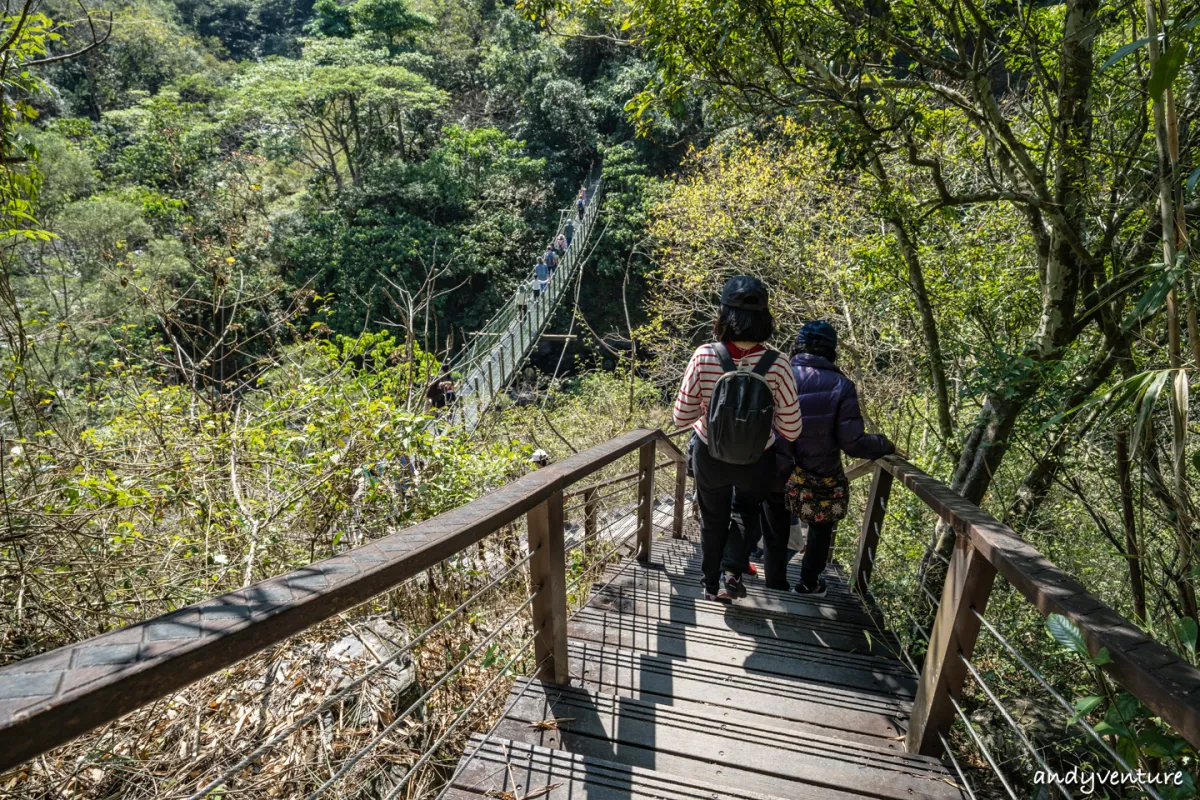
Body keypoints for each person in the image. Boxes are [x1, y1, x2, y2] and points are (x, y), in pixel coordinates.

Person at [673, 276, 801, 602]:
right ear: (765, 318)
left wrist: (709, 411)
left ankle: (709, 584)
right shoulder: (779, 364)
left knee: (713, 519)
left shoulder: (704, 356)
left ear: (723, 315)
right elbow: (791, 429)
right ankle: (733, 570)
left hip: (709, 453)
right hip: (758, 458)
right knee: (747, 512)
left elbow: (681, 417)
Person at [780, 320, 896, 596]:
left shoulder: (781, 376)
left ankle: (772, 580)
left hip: (781, 466)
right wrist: (884, 444)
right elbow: (853, 443)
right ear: (832, 351)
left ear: (799, 345)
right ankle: (808, 583)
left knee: (776, 515)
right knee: (821, 527)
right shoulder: (842, 386)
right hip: (821, 472)